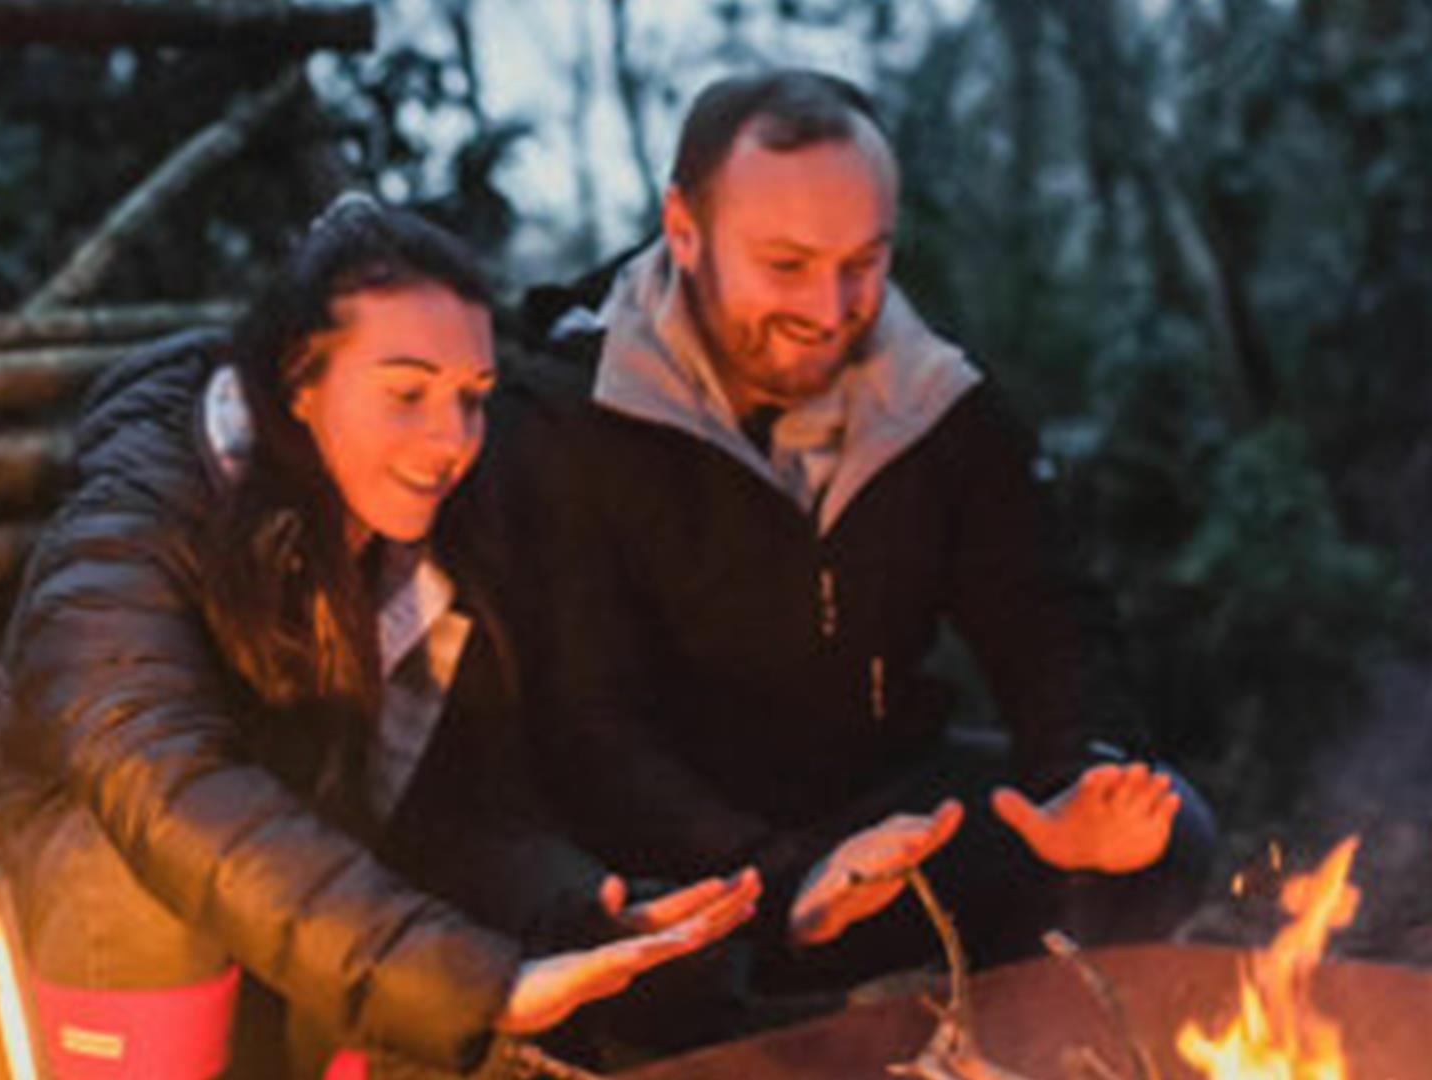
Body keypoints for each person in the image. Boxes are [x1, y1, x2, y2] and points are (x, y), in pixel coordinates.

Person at [0, 195, 760, 1080]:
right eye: (408, 392)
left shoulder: (429, 553)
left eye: (473, 399)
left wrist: (576, 915)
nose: (451, 439)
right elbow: (164, 784)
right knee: (124, 871)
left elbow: (454, 814)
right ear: (300, 380)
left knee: (489, 1009)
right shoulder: (139, 513)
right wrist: (467, 983)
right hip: (64, 936)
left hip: (301, 920)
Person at [499, 68, 1215, 1014]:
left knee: (1168, 834)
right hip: (685, 864)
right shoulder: (564, 419)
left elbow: (1046, 619)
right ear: (684, 231)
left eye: (863, 262)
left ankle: (1027, 1058)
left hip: (883, 826)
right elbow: (588, 729)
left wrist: (1078, 781)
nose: (831, 307)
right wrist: (784, 872)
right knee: (636, 945)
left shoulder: (937, 403)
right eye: (786, 265)